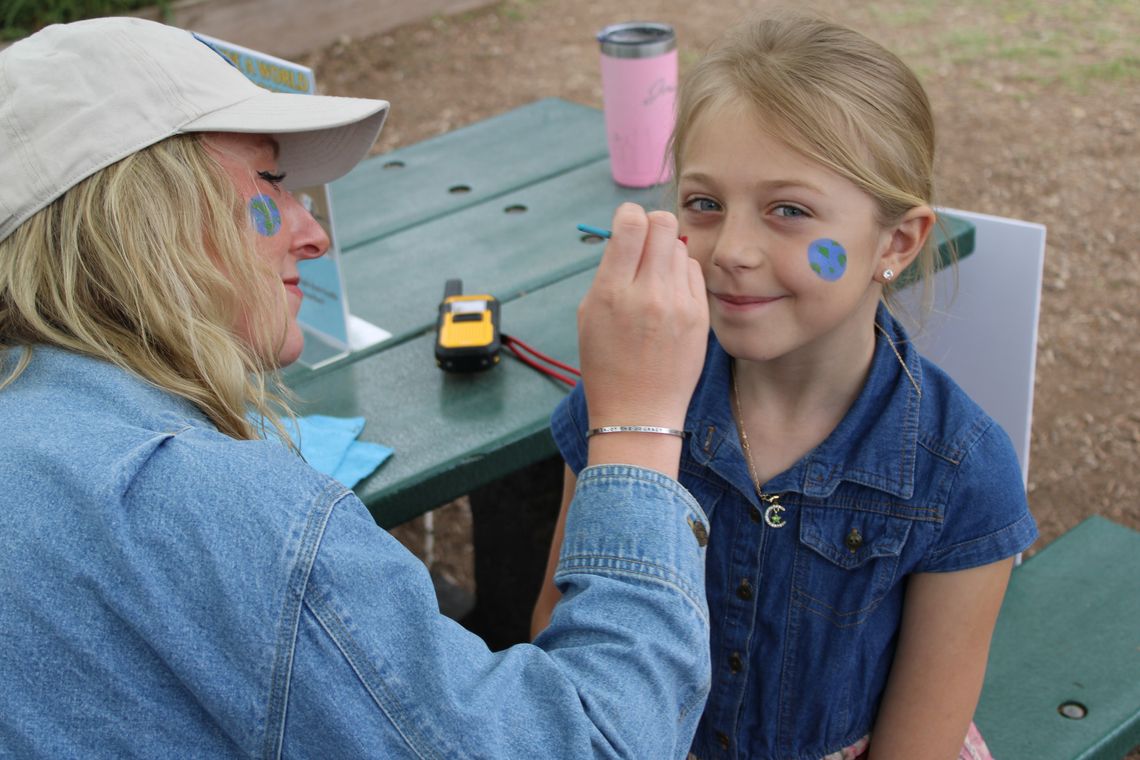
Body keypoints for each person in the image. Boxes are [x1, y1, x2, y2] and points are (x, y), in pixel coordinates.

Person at [0, 17, 714, 758]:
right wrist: (637, 422)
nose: (312, 234)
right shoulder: (200, 507)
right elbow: (595, 742)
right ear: (143, 220)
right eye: (272, 185)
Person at [533, 12, 1038, 760]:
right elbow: (561, 637)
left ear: (895, 242)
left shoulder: (963, 475)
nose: (732, 250)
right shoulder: (631, 405)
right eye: (704, 203)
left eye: (790, 211)